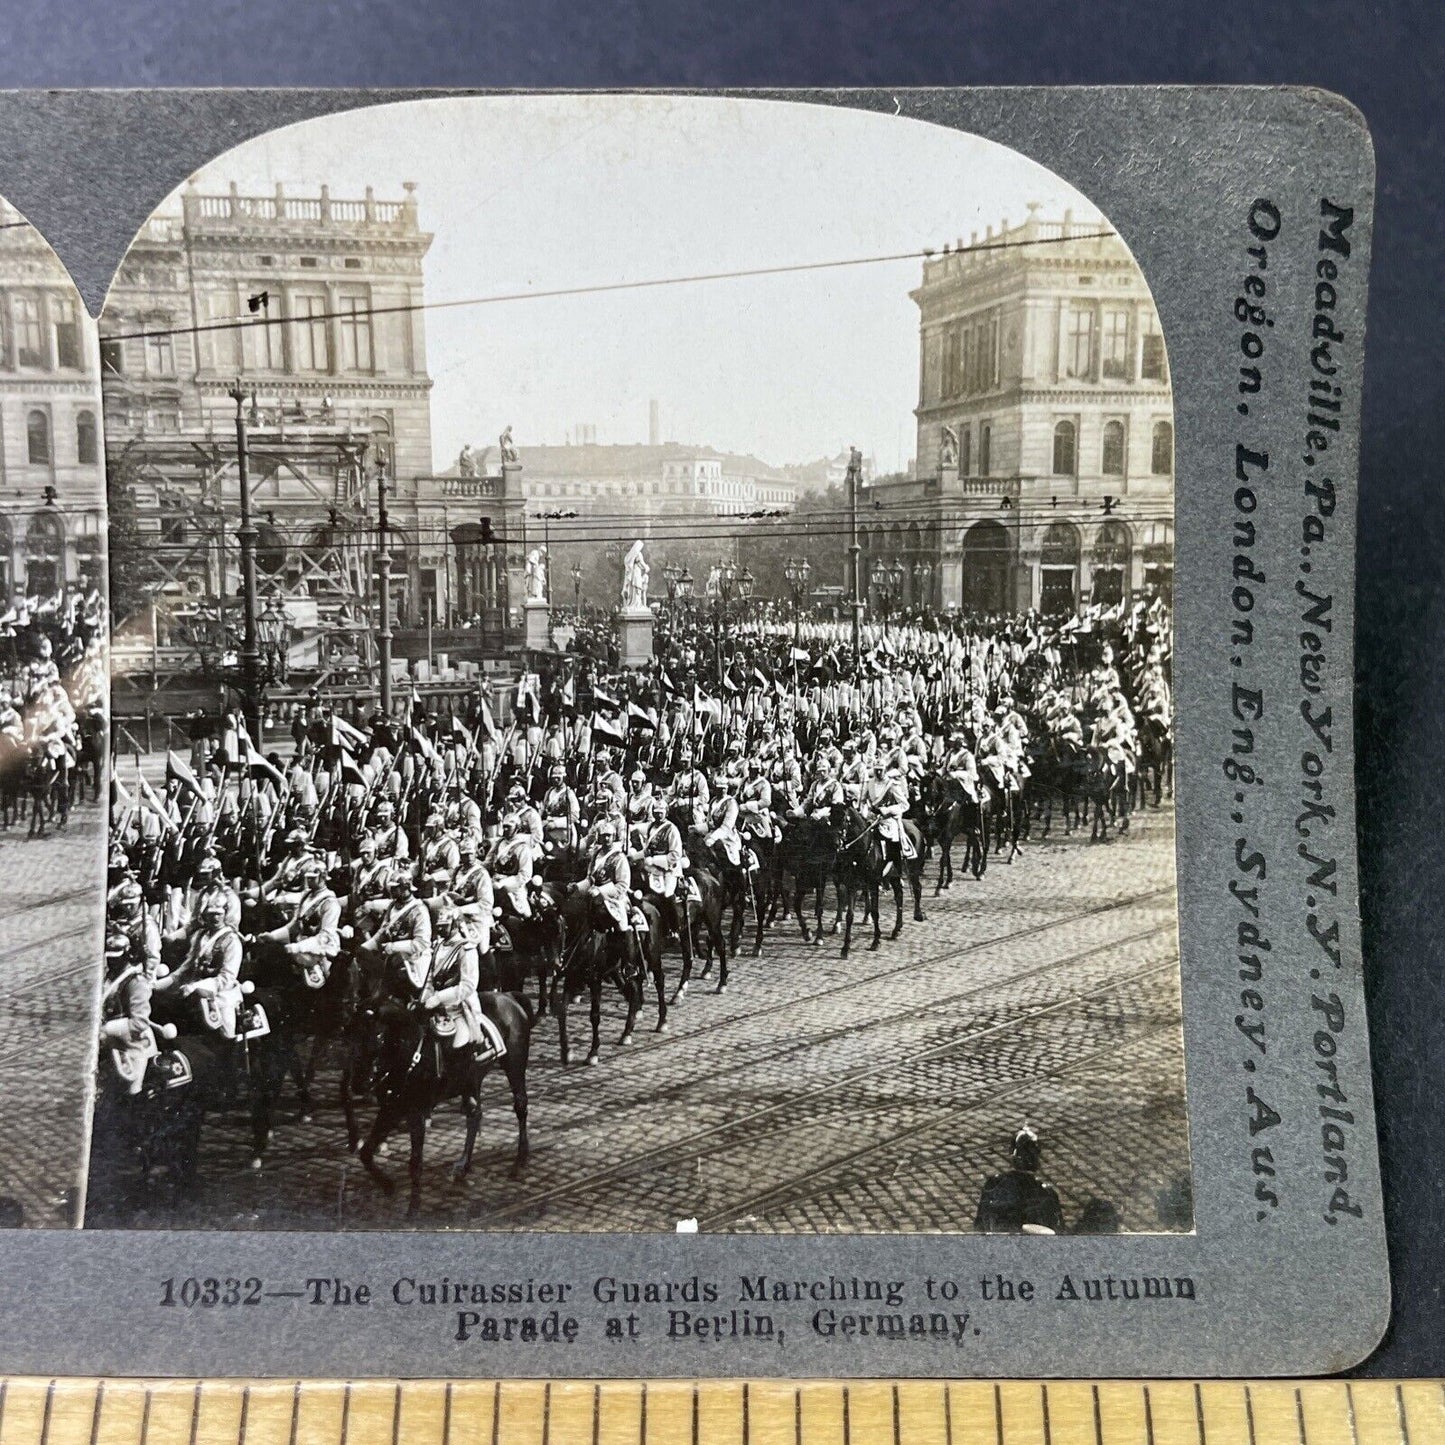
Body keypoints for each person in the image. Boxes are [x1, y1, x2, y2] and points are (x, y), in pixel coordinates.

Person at [159, 893, 245, 1038]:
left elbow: (226, 978)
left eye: (219, 914)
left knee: (225, 1035)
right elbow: (186, 967)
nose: (215, 918)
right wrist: (159, 984)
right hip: (193, 993)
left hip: (220, 996)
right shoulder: (200, 935)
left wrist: (196, 987)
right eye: (211, 914)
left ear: (225, 914)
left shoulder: (232, 941)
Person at [257, 853, 341, 989]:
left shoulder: (330, 903)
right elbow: (294, 925)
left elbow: (325, 937)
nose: (308, 881)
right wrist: (273, 936)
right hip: (299, 946)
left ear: (323, 878)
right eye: (308, 878)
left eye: (313, 878)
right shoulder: (306, 895)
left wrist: (298, 947)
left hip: (318, 953)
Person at [632, 792, 692, 971]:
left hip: (669, 869)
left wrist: (656, 861)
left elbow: (675, 855)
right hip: (651, 869)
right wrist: (633, 856)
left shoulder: (671, 829)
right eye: (656, 812)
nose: (658, 815)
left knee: (666, 894)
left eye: (661, 812)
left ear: (666, 812)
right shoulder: (651, 827)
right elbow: (647, 850)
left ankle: (674, 929)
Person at [974, 1125, 1065, 1234]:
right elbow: (1059, 1231)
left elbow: (979, 1225)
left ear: (1013, 1157)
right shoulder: (1048, 1194)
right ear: (1037, 1160)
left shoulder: (992, 1185)